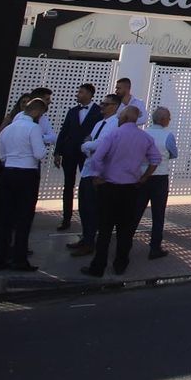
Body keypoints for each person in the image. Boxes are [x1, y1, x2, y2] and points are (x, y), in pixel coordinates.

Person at [79, 105, 161, 277]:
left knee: (105, 229)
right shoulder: (145, 137)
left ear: (123, 118)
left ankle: (98, 266)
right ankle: (120, 264)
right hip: (131, 188)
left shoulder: (113, 134)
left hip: (109, 187)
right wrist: (144, 176)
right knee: (125, 230)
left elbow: (97, 157)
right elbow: (156, 159)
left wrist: (97, 175)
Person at [0, 98, 48, 272]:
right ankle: (19, 259)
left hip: (8, 172)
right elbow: (39, 154)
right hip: (27, 173)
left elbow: (2, 155)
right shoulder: (33, 128)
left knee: (4, 218)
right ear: (37, 112)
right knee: (24, 218)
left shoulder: (7, 129)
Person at [68, 93, 121, 257]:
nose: (102, 107)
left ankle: (90, 242)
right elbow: (88, 141)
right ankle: (85, 237)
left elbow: (100, 144)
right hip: (88, 168)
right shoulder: (99, 123)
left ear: (115, 107)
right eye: (102, 103)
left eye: (106, 104)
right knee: (84, 207)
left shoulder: (115, 124)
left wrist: (88, 145)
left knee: (92, 209)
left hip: (99, 172)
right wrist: (88, 145)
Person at [53, 83, 100, 231]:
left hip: (87, 153)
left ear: (89, 94)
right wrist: (57, 152)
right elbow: (64, 131)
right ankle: (66, 218)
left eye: (81, 92)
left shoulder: (98, 111)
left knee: (89, 185)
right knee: (68, 185)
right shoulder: (72, 111)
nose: (77, 94)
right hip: (70, 152)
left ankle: (90, 219)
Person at [140, 107, 179, 259]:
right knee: (158, 213)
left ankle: (125, 243)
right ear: (163, 120)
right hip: (160, 176)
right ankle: (155, 247)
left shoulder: (143, 133)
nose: (169, 120)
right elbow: (174, 153)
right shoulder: (167, 135)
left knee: (136, 211)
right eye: (168, 118)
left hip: (142, 175)